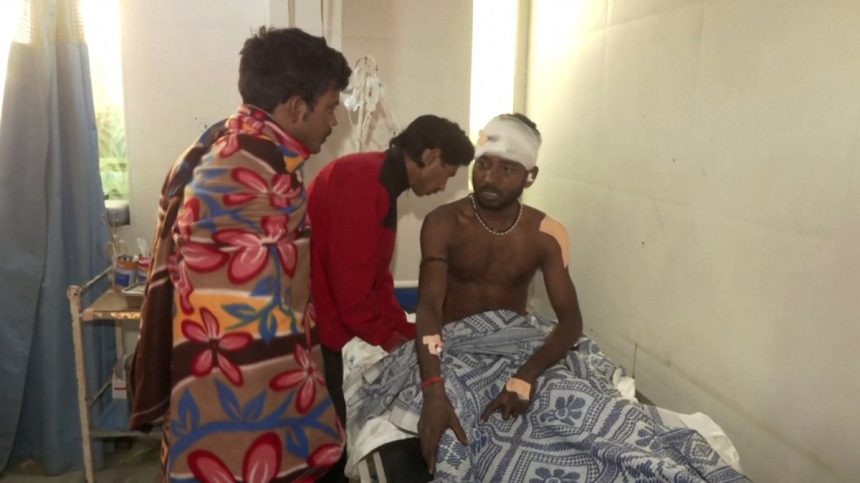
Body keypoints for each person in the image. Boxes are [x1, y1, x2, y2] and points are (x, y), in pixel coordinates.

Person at [346, 114, 748, 482]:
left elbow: (570, 321)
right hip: (455, 347)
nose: (489, 177)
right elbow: (430, 307)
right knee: (457, 430)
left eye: (507, 169)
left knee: (595, 419)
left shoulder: (547, 233)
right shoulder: (442, 222)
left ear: (530, 176)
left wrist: (526, 375)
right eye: (483, 164)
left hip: (522, 348)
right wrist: (433, 386)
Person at [129, 27, 351, 482]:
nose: (333, 122)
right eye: (330, 108)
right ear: (295, 107)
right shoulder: (245, 170)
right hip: (238, 384)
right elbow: (251, 304)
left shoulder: (223, 146)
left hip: (224, 379)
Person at [306, 114, 474, 479]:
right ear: (430, 155)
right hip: (316, 330)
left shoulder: (380, 181)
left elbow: (376, 280)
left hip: (329, 321)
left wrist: (405, 331)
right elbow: (353, 295)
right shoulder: (361, 181)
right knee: (327, 449)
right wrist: (391, 339)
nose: (444, 186)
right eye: (447, 173)